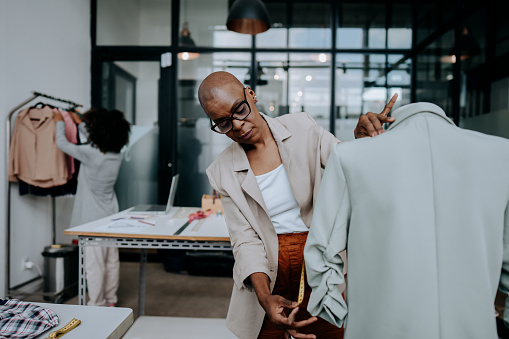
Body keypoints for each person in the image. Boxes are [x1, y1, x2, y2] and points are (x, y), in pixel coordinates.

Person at [199, 71, 397, 339]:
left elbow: (347, 168)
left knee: (329, 332)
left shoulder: (302, 128)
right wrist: (264, 296)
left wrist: (360, 141)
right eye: (222, 123)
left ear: (251, 94)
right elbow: (245, 240)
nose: (237, 125)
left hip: (320, 260)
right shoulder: (221, 171)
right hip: (267, 268)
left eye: (240, 110)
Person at [304, 102, 509, 339]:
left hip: (379, 328)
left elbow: (322, 250)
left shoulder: (351, 155)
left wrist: (337, 310)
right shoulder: (501, 154)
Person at [54, 108, 130, 307]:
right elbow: (96, 140)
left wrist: (59, 121)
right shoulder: (115, 154)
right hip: (111, 216)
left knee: (94, 266)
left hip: (92, 220)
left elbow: (62, 143)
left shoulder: (90, 153)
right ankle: (111, 300)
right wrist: (80, 123)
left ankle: (97, 304)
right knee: (111, 261)